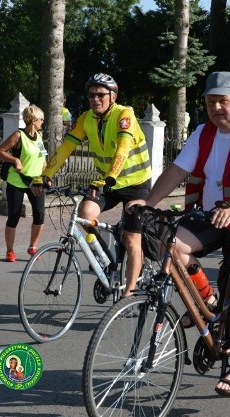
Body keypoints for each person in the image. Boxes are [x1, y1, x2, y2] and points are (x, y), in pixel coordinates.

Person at [127, 71, 230, 397]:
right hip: (214, 216)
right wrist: (150, 201)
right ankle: (210, 299)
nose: (216, 108)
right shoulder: (203, 132)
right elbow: (177, 169)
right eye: (211, 101)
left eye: (223, 101)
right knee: (168, 243)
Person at [43, 73, 152, 297]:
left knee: (132, 239)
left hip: (135, 183)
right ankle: (105, 257)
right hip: (109, 183)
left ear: (113, 96)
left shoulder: (124, 115)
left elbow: (122, 148)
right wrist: (46, 173)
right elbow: (67, 147)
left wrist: (109, 177)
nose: (95, 99)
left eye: (101, 94)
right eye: (92, 94)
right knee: (85, 212)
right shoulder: (86, 119)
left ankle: (128, 294)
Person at [0, 105, 48, 262]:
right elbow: (0, 151)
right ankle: (10, 251)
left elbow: (43, 158)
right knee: (14, 216)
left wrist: (48, 172)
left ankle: (33, 247)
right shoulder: (18, 135)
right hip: (17, 181)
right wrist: (15, 160)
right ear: (32, 120)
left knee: (39, 215)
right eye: (41, 119)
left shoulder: (39, 136)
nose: (43, 122)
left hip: (36, 182)